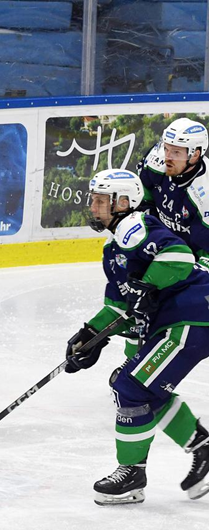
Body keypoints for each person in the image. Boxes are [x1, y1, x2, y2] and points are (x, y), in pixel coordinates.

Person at [64, 169, 209, 505]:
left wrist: (148, 286)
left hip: (194, 316)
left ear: (124, 203)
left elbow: (180, 257)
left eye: (102, 201)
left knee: (131, 387)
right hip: (175, 321)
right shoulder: (112, 247)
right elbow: (117, 307)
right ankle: (202, 446)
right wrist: (89, 336)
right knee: (141, 389)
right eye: (94, 200)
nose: (94, 207)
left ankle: (131, 474)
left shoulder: (136, 227)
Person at [137, 117, 209, 262]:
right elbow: (142, 192)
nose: (167, 158)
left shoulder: (204, 193)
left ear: (195, 155)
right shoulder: (156, 160)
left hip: (190, 256)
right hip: (162, 243)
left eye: (176, 152)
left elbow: (206, 255)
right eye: (166, 149)